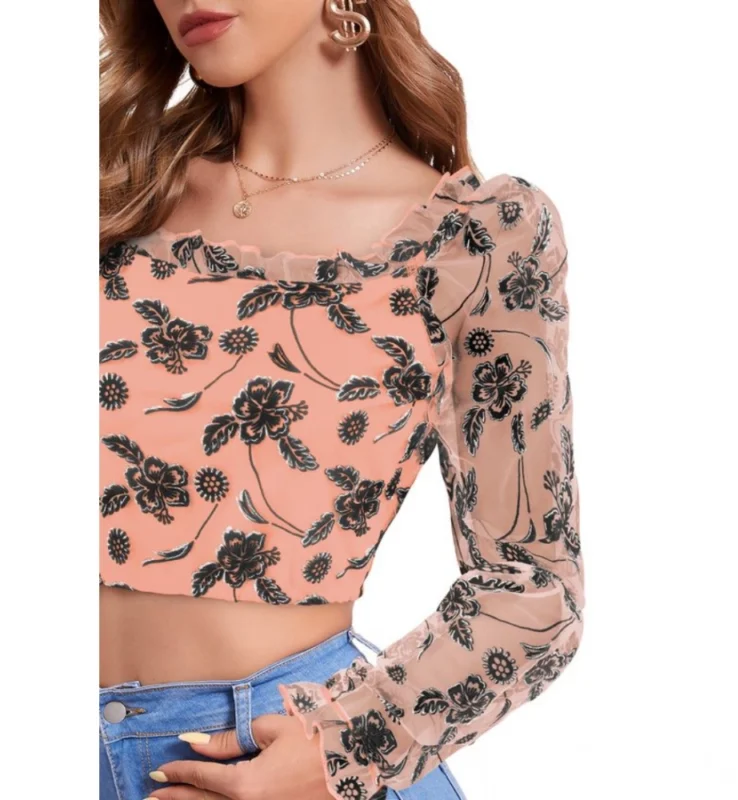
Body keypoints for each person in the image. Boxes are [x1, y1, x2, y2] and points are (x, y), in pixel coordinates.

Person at [99, 2, 585, 799]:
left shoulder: (473, 238)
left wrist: (341, 752)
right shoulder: (108, 196)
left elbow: (534, 588)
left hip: (276, 758)